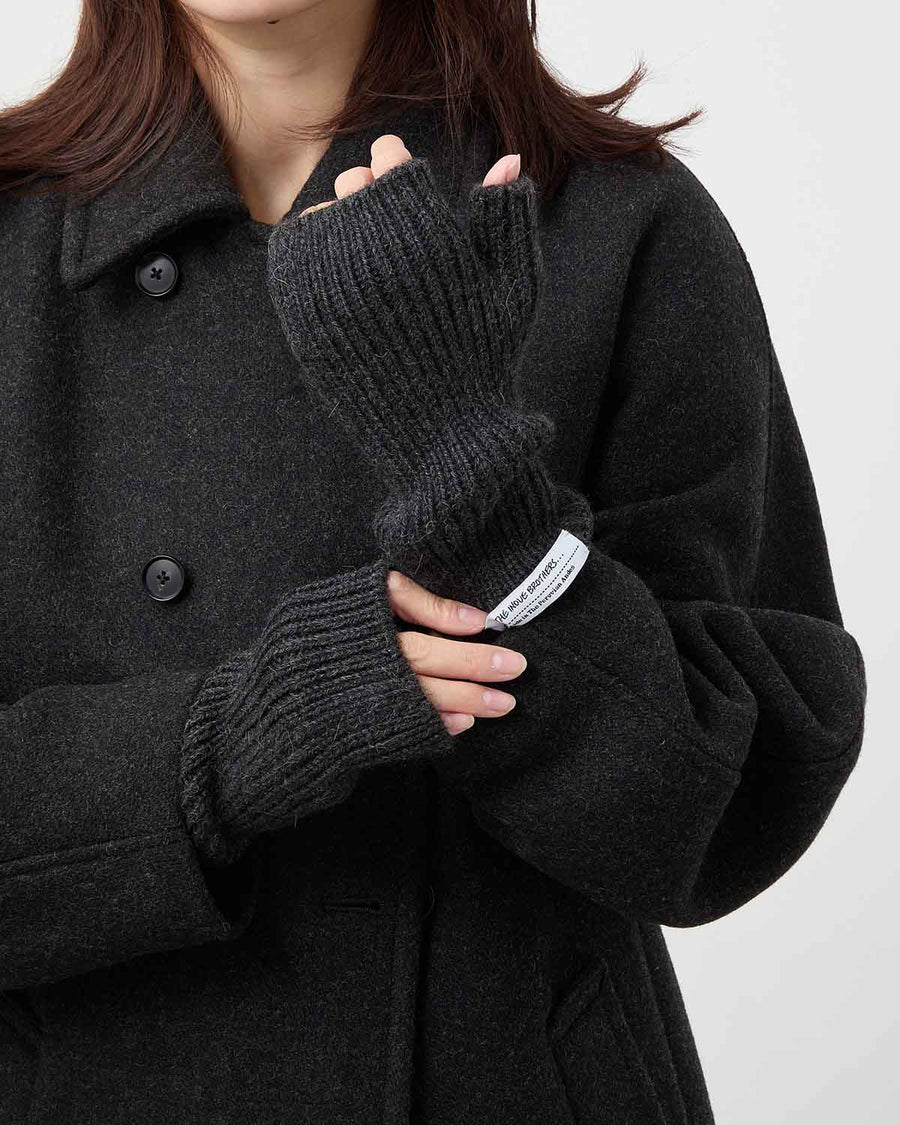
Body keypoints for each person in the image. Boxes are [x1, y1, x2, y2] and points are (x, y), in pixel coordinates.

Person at [0, 2, 867, 1123]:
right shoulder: (11, 251)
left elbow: (727, 811)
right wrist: (239, 737)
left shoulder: (619, 221)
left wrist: (468, 470)